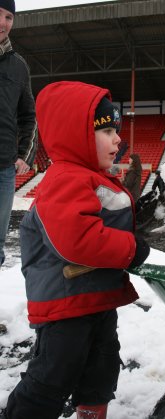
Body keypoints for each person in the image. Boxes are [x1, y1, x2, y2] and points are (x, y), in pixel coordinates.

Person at [1, 81, 150, 419]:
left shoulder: (94, 178)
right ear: (76, 133)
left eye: (117, 130)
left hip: (93, 299)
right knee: (53, 376)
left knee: (102, 368)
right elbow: (77, 240)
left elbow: (105, 220)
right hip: (65, 304)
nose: (117, 139)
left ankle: (91, 411)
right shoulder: (66, 178)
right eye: (107, 130)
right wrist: (130, 248)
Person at [0, 0, 37, 268]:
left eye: (9, 17)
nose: (3, 23)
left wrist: (24, 154)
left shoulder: (19, 66)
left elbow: (28, 115)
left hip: (3, 168)